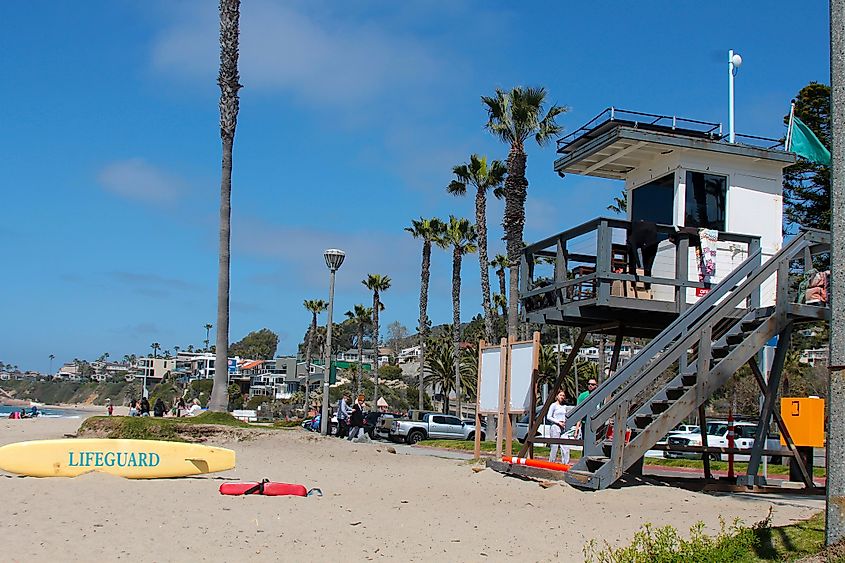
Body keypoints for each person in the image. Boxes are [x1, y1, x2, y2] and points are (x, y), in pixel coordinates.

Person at [547, 391, 570, 465]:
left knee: (566, 446)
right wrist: (558, 422)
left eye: (563, 395)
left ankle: (565, 464)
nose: (562, 397)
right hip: (555, 426)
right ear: (557, 396)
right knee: (554, 447)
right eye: (560, 395)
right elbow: (549, 417)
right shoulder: (553, 405)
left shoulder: (564, 407)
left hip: (563, 427)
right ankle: (551, 463)